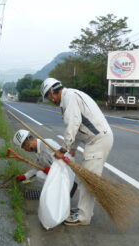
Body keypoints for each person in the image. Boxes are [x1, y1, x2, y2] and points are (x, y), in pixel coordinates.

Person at [40, 78, 113, 226]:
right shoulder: (69, 97)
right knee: (86, 179)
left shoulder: (69, 98)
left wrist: (64, 148)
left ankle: (83, 217)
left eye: (49, 96)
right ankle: (84, 210)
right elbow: (81, 125)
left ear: (52, 91)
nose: (50, 100)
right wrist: (73, 147)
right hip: (96, 140)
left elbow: (73, 124)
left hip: (98, 141)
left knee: (88, 181)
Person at [13, 129, 78, 196]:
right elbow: (37, 167)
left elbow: (67, 158)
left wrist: (53, 169)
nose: (26, 150)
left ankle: (63, 190)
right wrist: (25, 176)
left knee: (40, 175)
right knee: (39, 174)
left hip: (66, 171)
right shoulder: (38, 152)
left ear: (27, 144)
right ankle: (58, 190)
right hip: (57, 174)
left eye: (24, 148)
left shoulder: (47, 143)